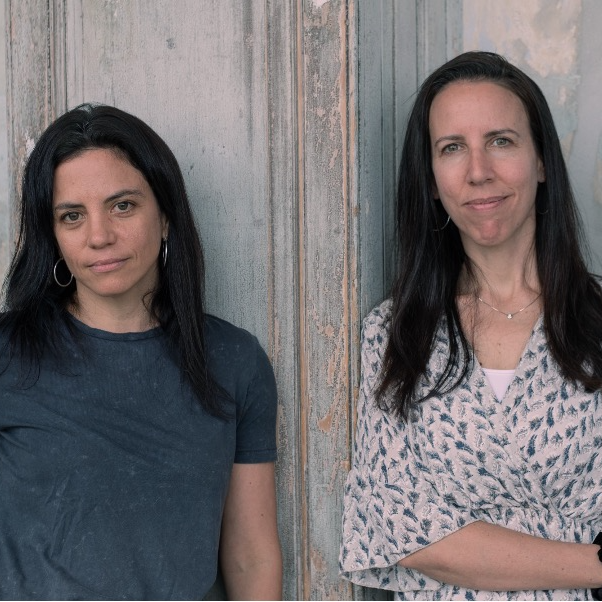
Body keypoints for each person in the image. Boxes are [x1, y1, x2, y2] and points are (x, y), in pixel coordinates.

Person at [340, 51, 602, 600]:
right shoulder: (395, 334)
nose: (478, 171)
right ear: (432, 181)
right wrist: (593, 564)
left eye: (501, 141)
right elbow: (401, 527)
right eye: (452, 148)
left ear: (541, 161)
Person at [0, 103, 282, 600]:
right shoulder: (7, 353)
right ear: (53, 235)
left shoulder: (234, 361)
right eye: (72, 216)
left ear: (166, 216)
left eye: (123, 206)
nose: (99, 236)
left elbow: (250, 557)